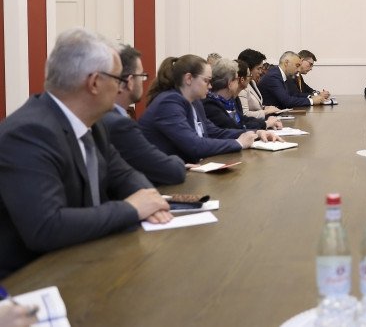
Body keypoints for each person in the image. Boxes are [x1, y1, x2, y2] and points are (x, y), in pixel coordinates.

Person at [0, 28, 171, 278]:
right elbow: (47, 227)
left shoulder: (93, 124)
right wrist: (132, 209)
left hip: (83, 257)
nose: (120, 88)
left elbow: (125, 174)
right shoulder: (29, 133)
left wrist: (150, 201)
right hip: (32, 278)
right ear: (94, 83)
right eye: (118, 80)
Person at [139, 54, 279, 163]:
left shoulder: (195, 102)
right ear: (189, 79)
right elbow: (195, 145)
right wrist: (238, 143)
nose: (211, 86)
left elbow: (214, 132)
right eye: (206, 81)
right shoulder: (168, 103)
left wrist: (256, 132)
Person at [100, 45, 189, 185]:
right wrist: (177, 161)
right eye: (141, 76)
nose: (143, 81)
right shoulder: (119, 124)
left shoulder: (106, 117)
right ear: (130, 81)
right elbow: (172, 171)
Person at [203, 58, 282, 131]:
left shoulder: (232, 100)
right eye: (237, 79)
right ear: (230, 83)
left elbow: (243, 119)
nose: (239, 82)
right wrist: (266, 124)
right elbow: (236, 127)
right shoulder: (210, 105)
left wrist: (266, 122)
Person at [258, 51, 326, 108]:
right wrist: (312, 101)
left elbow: (294, 94)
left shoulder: (283, 75)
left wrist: (312, 97)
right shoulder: (274, 76)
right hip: (272, 116)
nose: (298, 69)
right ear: (286, 63)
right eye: (297, 65)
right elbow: (287, 101)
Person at [237, 48, 281, 120]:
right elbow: (245, 114)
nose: (261, 72)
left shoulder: (253, 82)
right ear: (248, 68)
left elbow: (255, 107)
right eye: (258, 69)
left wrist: (266, 107)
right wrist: (266, 111)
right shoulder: (241, 87)